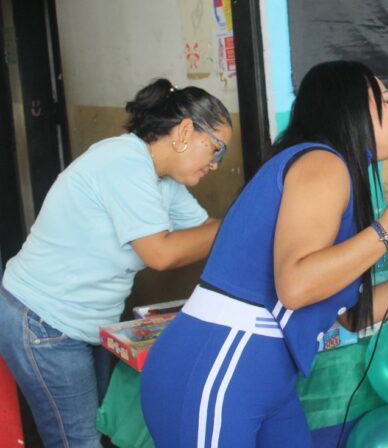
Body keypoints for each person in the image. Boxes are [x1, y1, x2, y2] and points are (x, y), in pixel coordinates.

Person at [140, 61, 388, 447]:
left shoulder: (338, 174)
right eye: (386, 100)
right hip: (219, 366)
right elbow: (297, 286)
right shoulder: (322, 162)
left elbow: (353, 315)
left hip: (264, 378)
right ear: (350, 106)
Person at [0, 78, 232, 447]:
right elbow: (161, 253)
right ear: (185, 131)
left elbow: (207, 232)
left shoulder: (164, 181)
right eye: (216, 149)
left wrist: (241, 228)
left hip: (87, 322)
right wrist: (237, 223)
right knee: (78, 441)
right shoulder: (124, 162)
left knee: (102, 427)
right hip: (43, 320)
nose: (215, 165)